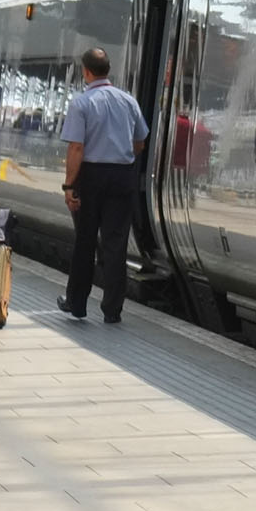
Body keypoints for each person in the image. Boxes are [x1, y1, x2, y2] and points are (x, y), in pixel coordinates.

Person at [57, 48, 149, 324]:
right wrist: (121, 155)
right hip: (122, 177)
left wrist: (69, 186)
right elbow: (140, 142)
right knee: (116, 243)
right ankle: (112, 310)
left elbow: (76, 148)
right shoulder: (128, 101)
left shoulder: (82, 103)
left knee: (85, 240)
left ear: (86, 71)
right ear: (108, 70)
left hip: (91, 176)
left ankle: (77, 304)